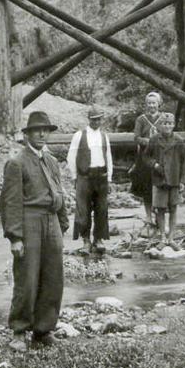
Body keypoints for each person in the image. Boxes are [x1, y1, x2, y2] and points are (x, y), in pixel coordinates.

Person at [0, 111, 70, 345]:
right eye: (36, 130)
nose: (41, 134)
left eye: (45, 130)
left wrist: (62, 221)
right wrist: (15, 237)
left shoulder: (51, 161)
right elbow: (10, 202)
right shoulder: (16, 163)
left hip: (51, 222)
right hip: (29, 222)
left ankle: (43, 330)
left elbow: (58, 191)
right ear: (27, 134)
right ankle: (19, 330)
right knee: (27, 279)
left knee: (53, 277)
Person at [66, 105, 113, 255]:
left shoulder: (104, 136)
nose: (96, 122)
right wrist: (75, 176)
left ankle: (98, 239)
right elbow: (71, 157)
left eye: (99, 119)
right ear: (89, 119)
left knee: (102, 208)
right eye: (93, 119)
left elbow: (109, 157)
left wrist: (109, 178)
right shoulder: (79, 135)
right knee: (83, 210)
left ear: (101, 120)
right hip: (84, 176)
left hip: (101, 177)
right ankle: (85, 240)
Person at [148, 113, 185, 240]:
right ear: (160, 125)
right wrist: (154, 164)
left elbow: (183, 162)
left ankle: (171, 236)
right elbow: (146, 156)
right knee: (160, 208)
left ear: (174, 125)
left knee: (173, 207)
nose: (167, 126)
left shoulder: (179, 140)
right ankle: (162, 236)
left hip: (174, 179)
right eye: (165, 123)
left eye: (170, 123)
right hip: (159, 179)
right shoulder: (154, 139)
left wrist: (183, 181)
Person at [130, 91, 163, 236]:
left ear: (158, 104)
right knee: (146, 189)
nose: (151, 105)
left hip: (160, 157)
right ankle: (148, 217)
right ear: (146, 104)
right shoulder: (141, 119)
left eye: (154, 103)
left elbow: (168, 133)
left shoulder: (163, 118)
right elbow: (136, 137)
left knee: (160, 186)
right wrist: (148, 142)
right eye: (149, 103)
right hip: (144, 158)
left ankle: (160, 217)